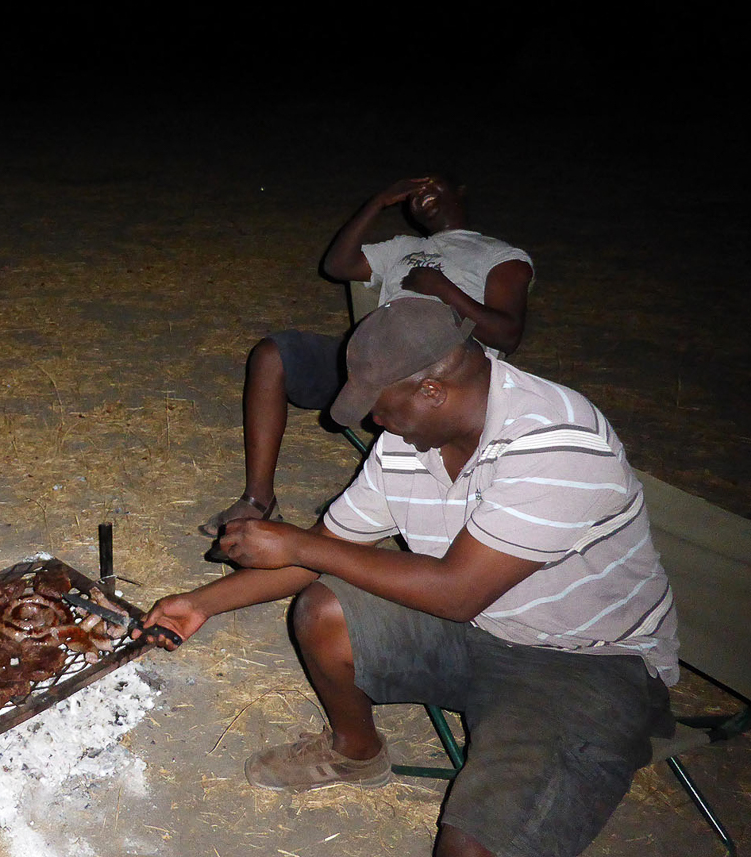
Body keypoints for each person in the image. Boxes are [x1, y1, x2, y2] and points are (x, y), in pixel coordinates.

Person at [137, 298, 678, 857]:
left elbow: (456, 593)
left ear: (431, 391)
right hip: (475, 631)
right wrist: (201, 603)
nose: (373, 421)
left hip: (583, 662)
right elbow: (331, 550)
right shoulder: (407, 441)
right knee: (325, 608)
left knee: (471, 849)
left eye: (378, 404)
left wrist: (299, 541)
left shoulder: (557, 443)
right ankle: (355, 752)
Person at [199, 175, 534, 543]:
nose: (421, 196)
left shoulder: (500, 256)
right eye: (414, 192)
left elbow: (506, 335)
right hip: (374, 364)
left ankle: (372, 506)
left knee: (416, 393)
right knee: (274, 354)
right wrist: (377, 202)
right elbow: (337, 266)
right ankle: (258, 499)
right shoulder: (403, 247)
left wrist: (445, 291)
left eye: (432, 187)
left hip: (444, 378)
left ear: (461, 191)